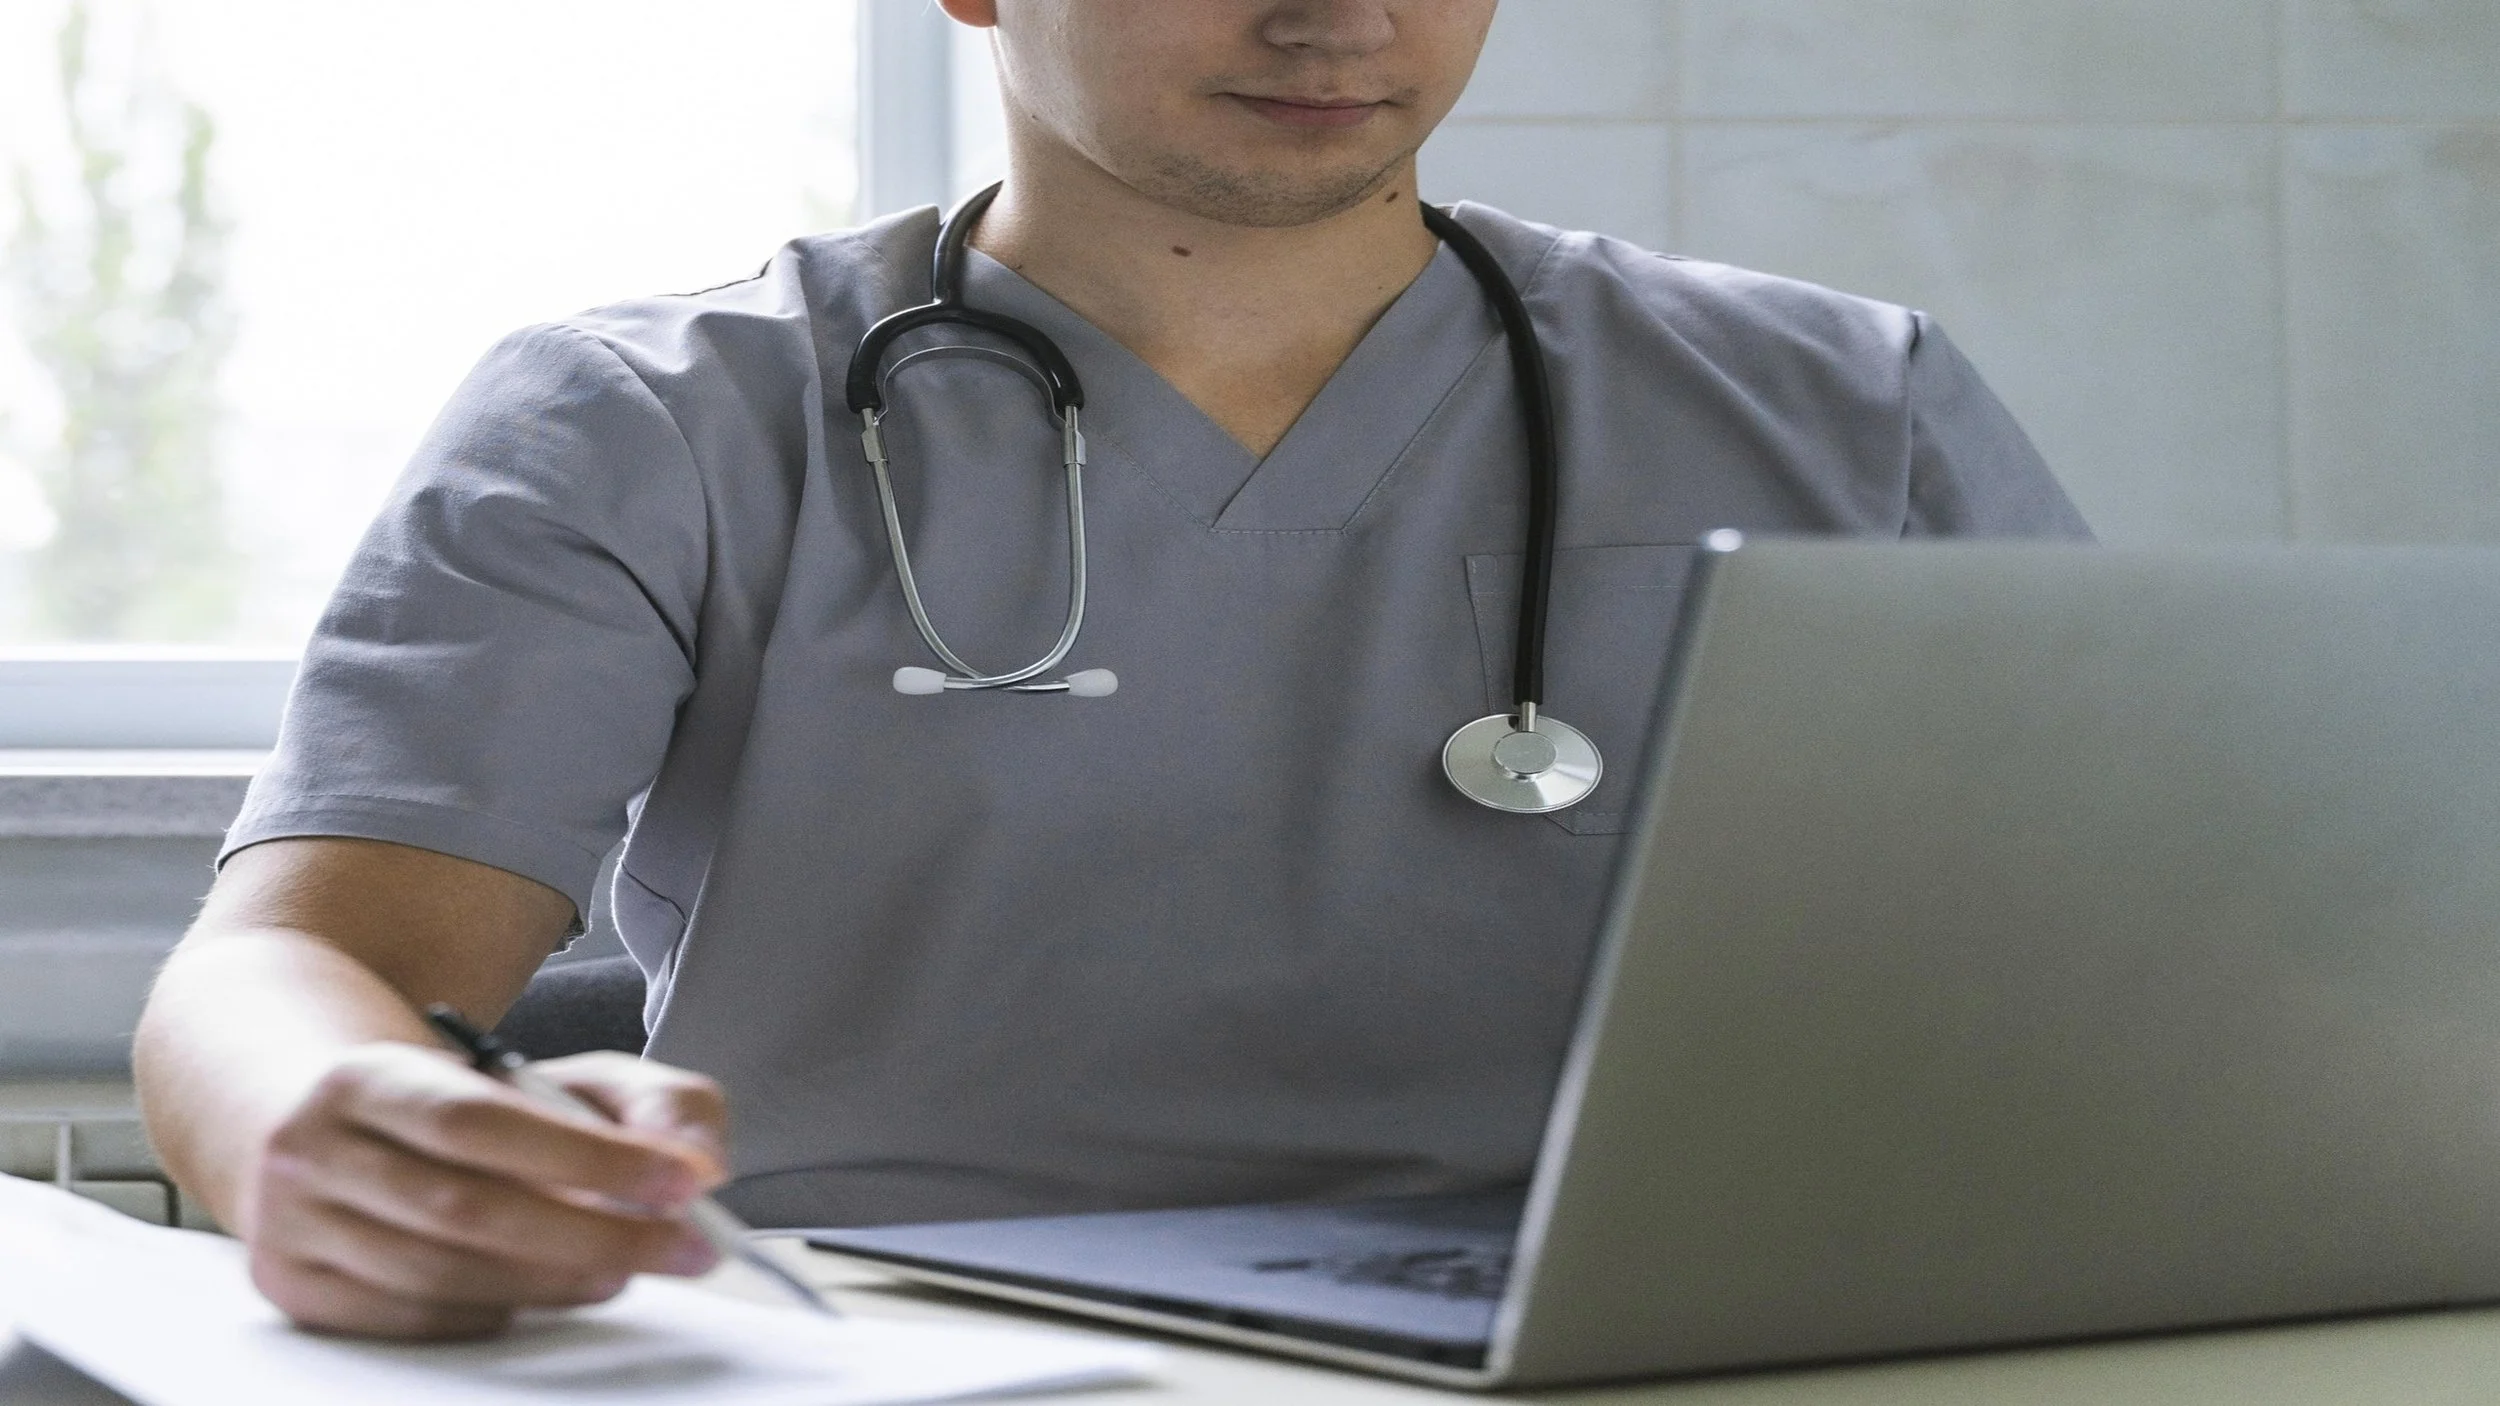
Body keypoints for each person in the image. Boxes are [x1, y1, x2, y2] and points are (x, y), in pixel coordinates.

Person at [134, 0, 2090, 1342]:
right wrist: (323, 1125)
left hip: (1651, 1334)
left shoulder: (1840, 404)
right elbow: (292, 976)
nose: (1335, 14)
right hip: (900, 1342)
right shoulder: (648, 418)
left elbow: (2160, 965)